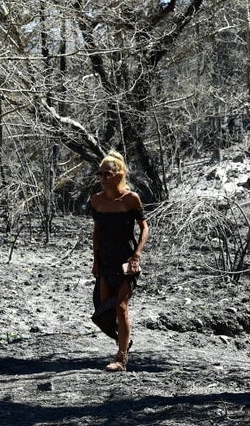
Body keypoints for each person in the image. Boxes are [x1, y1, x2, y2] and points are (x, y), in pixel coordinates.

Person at [89, 150, 149, 372]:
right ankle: (124, 340)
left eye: (107, 174)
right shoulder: (96, 200)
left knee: (122, 307)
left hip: (126, 260)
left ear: (118, 174)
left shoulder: (131, 199)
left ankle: (121, 359)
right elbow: (97, 232)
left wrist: (137, 255)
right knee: (103, 312)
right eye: (100, 174)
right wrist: (96, 261)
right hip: (106, 261)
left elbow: (145, 228)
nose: (103, 178)